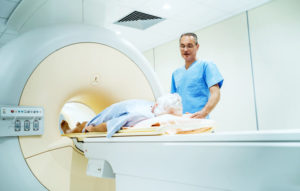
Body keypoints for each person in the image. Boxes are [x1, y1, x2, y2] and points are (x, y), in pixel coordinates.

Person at [61, 93, 183, 138]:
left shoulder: (151, 106)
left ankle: (77, 125)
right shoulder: (141, 115)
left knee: (87, 123)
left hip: (109, 113)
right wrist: (93, 129)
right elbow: (108, 126)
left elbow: (110, 125)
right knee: (85, 127)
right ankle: (70, 130)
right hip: (105, 117)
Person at [171, 32, 224, 119]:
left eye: (189, 46)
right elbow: (172, 101)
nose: (185, 49)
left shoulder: (206, 66)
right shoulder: (176, 73)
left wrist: (204, 113)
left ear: (197, 46)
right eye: (182, 46)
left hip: (200, 122)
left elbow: (216, 94)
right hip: (182, 123)